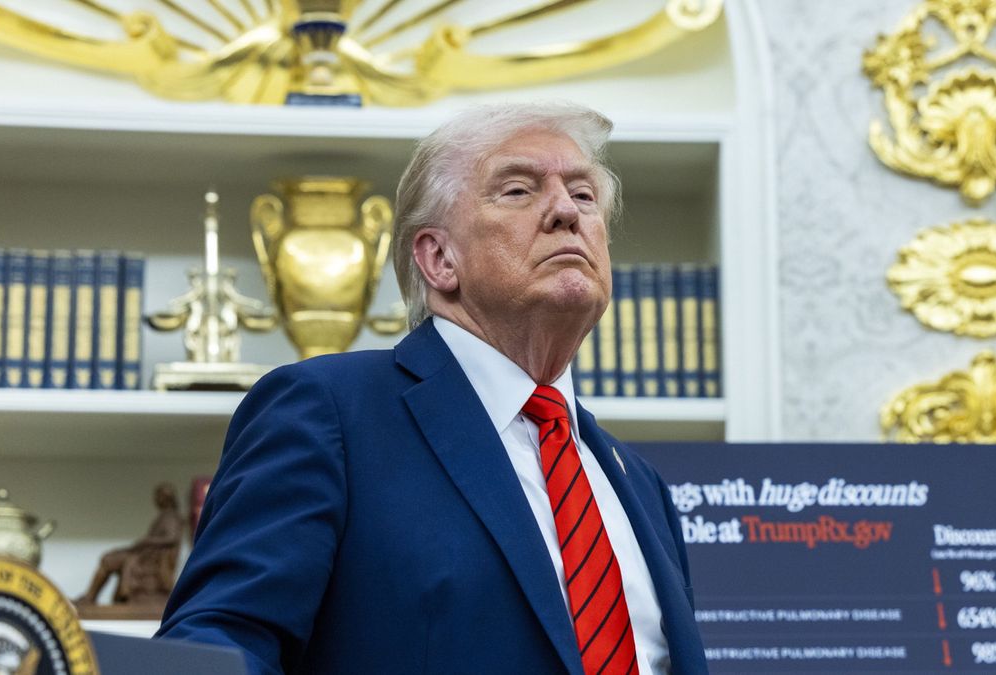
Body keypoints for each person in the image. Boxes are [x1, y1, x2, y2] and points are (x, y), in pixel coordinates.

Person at [157, 102, 708, 675]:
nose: (566, 211)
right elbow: (216, 649)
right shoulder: (327, 413)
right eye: (519, 190)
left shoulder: (639, 484)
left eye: (585, 195)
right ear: (440, 258)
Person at [76, 482, 183, 607]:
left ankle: (90, 597)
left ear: (166, 498)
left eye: (159, 496)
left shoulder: (171, 517)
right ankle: (90, 597)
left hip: (149, 558)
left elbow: (172, 538)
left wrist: (147, 541)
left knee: (108, 560)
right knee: (109, 557)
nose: (156, 499)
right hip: (143, 553)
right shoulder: (164, 516)